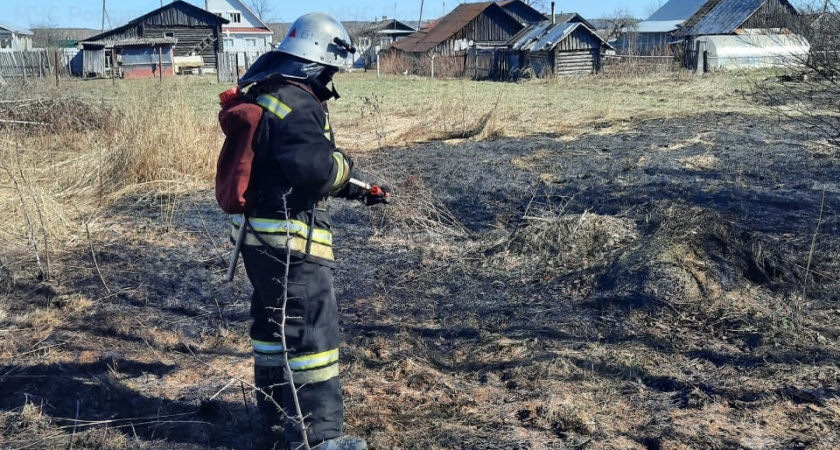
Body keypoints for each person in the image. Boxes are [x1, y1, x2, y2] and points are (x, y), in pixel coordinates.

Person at [229, 12, 388, 450]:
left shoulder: (268, 94)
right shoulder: (298, 103)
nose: (330, 80)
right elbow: (316, 170)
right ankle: (319, 439)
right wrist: (345, 166)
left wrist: (360, 191)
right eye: (330, 70)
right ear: (316, 61)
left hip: (257, 240)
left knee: (273, 327)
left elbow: (289, 165)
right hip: (291, 245)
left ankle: (273, 419)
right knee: (313, 336)